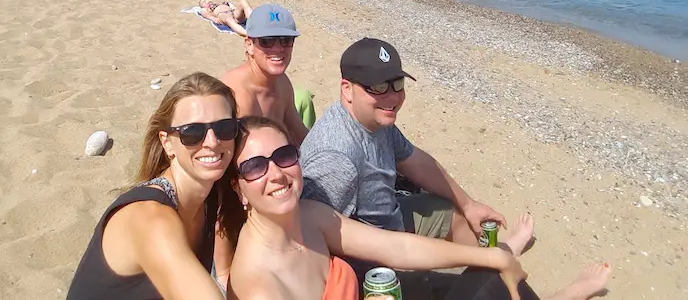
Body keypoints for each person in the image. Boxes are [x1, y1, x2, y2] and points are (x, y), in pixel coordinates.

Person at [229, 116, 612, 300]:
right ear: (239, 190)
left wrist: (496, 256)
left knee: (488, 274)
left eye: (283, 156)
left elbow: (398, 247)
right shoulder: (263, 285)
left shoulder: (310, 216)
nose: (276, 173)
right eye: (254, 166)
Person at [300, 38, 508, 281]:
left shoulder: (376, 119)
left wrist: (469, 204)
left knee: (456, 215)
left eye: (397, 84)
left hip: (391, 216)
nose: (392, 97)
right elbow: (312, 239)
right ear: (347, 88)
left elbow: (414, 160)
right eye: (378, 87)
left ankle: (485, 275)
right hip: (372, 259)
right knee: (435, 285)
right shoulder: (336, 158)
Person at [66, 72, 244, 299]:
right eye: (193, 132)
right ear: (167, 142)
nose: (212, 141)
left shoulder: (211, 196)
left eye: (224, 128)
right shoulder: (150, 218)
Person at [221, 4, 311, 147]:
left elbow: (299, 132)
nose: (278, 48)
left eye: (286, 40)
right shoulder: (236, 93)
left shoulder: (282, 82)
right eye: (267, 41)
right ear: (249, 45)